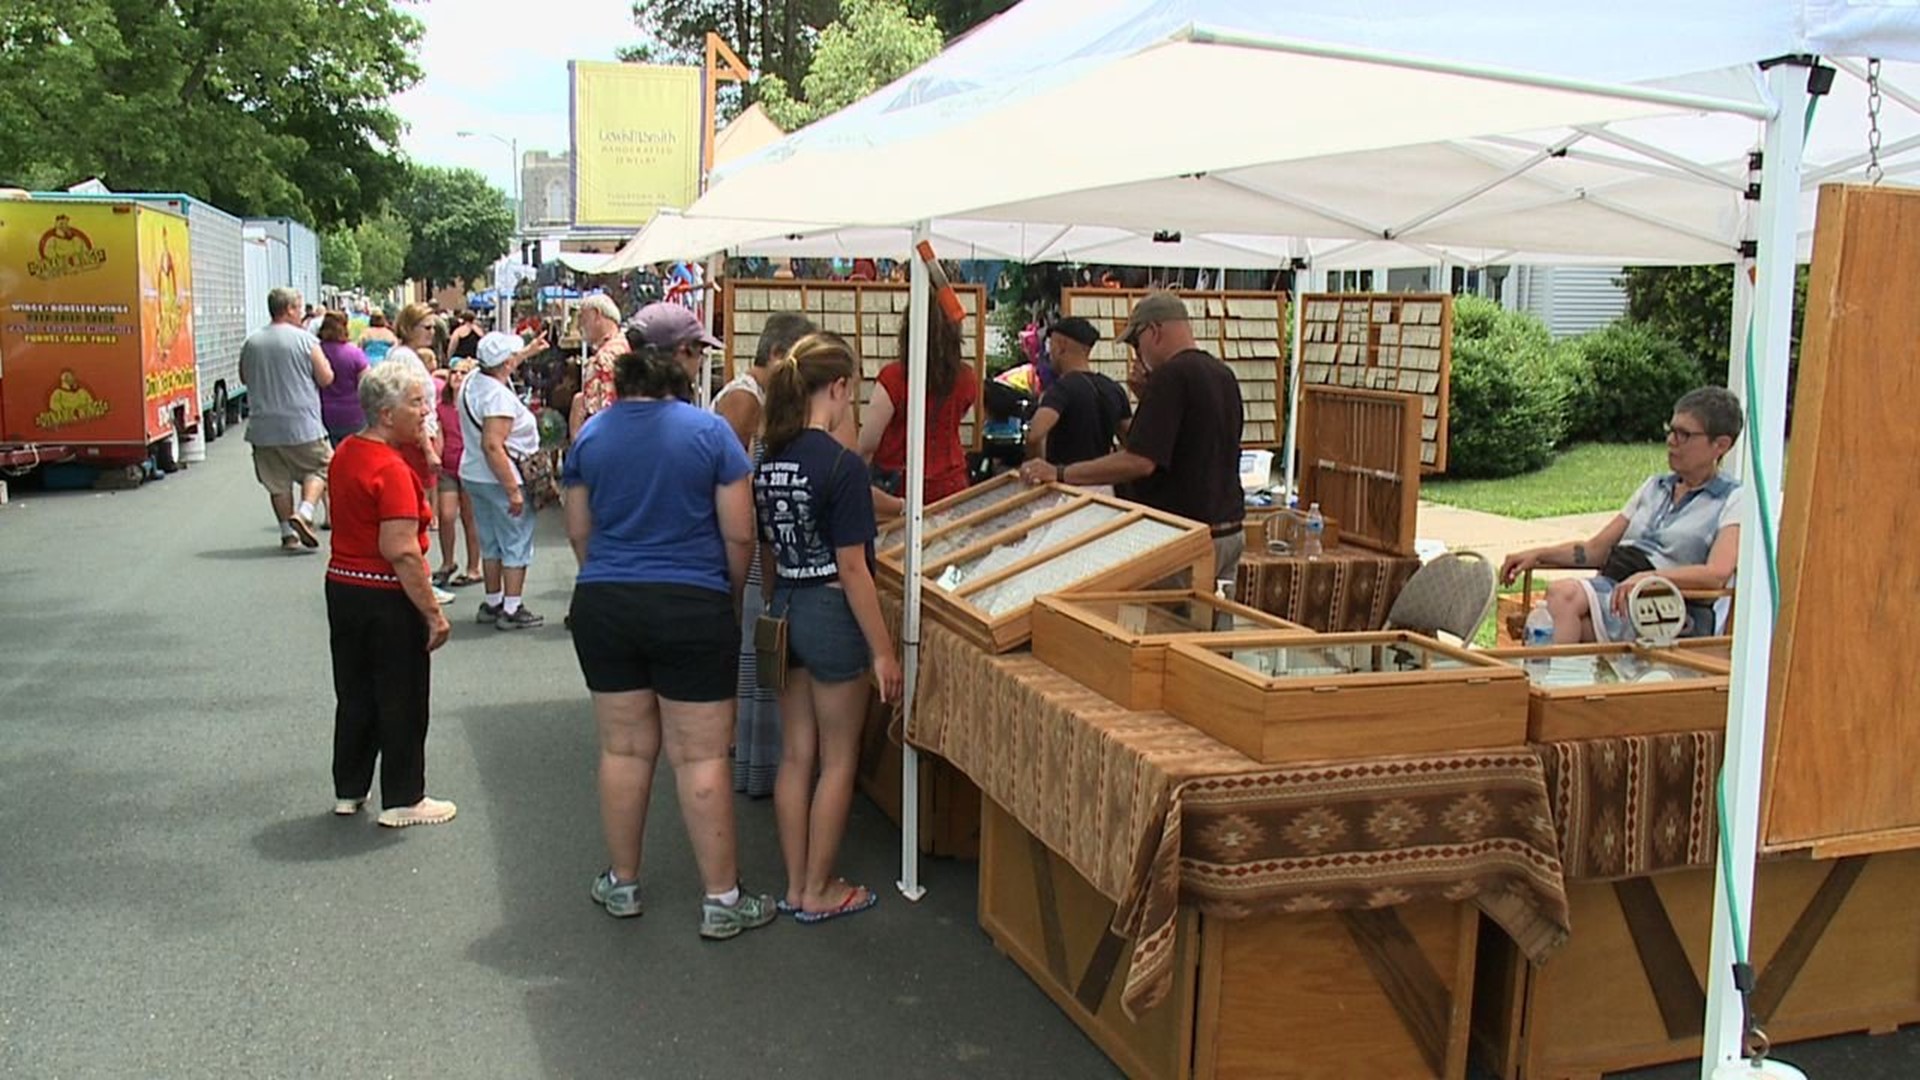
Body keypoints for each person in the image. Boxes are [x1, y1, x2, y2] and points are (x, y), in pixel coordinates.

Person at [562, 343, 775, 939]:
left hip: (606, 599)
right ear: (678, 381)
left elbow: (579, 529)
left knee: (624, 749)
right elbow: (740, 536)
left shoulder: (593, 437)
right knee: (700, 755)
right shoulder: (711, 434)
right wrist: (726, 599)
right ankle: (721, 898)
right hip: (691, 601)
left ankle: (623, 882)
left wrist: (602, 573)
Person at [756, 333, 903, 923]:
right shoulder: (841, 467)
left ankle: (795, 882)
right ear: (838, 387)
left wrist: (776, 603)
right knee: (838, 759)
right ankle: (818, 888)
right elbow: (853, 568)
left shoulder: (769, 457)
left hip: (785, 604)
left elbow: (768, 551)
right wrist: (884, 651)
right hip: (832, 611)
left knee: (796, 756)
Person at [1018, 291, 1246, 583]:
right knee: (1214, 624)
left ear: (1153, 332)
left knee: (1164, 623)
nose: (1138, 355)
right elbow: (1190, 444)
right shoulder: (1222, 374)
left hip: (1183, 536)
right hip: (1228, 529)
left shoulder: (1171, 376)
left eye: (1136, 344)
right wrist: (1145, 396)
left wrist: (1060, 472)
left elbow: (1140, 460)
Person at [1501, 387, 1745, 642]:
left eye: (1684, 434)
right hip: (1621, 595)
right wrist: (1539, 554)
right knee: (1567, 620)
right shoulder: (1655, 487)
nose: (1671, 441)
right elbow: (1597, 549)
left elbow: (1716, 575)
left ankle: (1550, 678)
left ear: (1721, 445)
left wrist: (1650, 579)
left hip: (1670, 609)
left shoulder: (1733, 499)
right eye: (1670, 430)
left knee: (1563, 597)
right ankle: (1559, 678)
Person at [323, 361, 455, 828]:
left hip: (343, 585)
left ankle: (350, 787)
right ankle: (404, 797)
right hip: (384, 593)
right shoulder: (392, 469)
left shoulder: (346, 453)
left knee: (355, 691)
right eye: (415, 403)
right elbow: (399, 550)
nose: (424, 411)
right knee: (402, 694)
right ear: (385, 413)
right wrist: (433, 612)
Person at [717, 312, 816, 797]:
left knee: (757, 662)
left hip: (756, 547)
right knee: (756, 659)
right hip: (753, 548)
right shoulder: (745, 400)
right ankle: (748, 754)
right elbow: (733, 481)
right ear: (777, 354)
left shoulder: (753, 399)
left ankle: (751, 758)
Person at [460, 330, 550, 630]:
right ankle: (512, 607)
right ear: (507, 363)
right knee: (515, 541)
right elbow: (493, 445)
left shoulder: (472, 381)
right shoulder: (497, 397)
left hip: (473, 473)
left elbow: (500, 364)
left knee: (490, 542)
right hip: (500, 476)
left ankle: (494, 600)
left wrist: (528, 352)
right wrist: (513, 489)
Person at [239, 287, 334, 551]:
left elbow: (244, 377)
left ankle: (287, 535)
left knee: (276, 481)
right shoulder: (305, 341)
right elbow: (326, 377)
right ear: (289, 309)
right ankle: (304, 512)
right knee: (322, 467)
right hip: (302, 423)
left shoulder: (253, 341)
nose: (303, 312)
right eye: (300, 307)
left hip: (262, 426)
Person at [860, 304, 979, 506]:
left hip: (900, 487)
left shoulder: (894, 377)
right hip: (952, 482)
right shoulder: (967, 377)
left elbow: (868, 442)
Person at [1025, 316, 1131, 479]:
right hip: (1102, 485)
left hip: (1065, 483)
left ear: (1061, 346)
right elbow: (1130, 440)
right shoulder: (1113, 389)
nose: (1049, 352)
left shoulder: (1061, 389)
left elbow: (1035, 435)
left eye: (1050, 345)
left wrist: (1037, 466)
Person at [433, 361, 484, 589]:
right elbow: (440, 436)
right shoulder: (441, 408)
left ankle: (474, 567)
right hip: (449, 467)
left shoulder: (475, 406)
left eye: (463, 373)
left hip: (471, 466)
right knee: (446, 515)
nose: (457, 376)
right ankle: (447, 562)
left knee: (470, 518)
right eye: (454, 372)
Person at [568, 294, 627, 439]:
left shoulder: (604, 357)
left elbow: (601, 411)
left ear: (596, 315)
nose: (579, 325)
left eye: (582, 318)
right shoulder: (625, 345)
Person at [625, 301, 723, 386]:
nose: (700, 364)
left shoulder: (611, 405)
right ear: (683, 351)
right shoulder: (686, 408)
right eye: (700, 353)